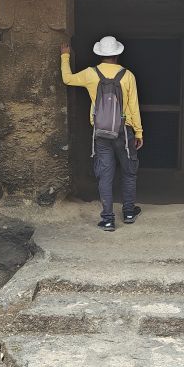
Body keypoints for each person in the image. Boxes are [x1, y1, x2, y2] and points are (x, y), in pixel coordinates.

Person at [60, 36, 143, 231]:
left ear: (99, 53)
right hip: (124, 131)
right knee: (129, 172)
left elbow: (67, 79)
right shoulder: (128, 75)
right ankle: (129, 212)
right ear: (118, 53)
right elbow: (134, 106)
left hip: (101, 132)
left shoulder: (90, 74)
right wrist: (138, 132)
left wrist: (65, 56)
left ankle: (107, 219)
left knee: (105, 175)